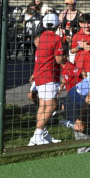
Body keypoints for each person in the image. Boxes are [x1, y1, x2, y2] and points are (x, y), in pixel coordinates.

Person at [28, 13, 65, 146]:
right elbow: (58, 59)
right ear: (57, 25)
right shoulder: (56, 39)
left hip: (40, 74)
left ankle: (42, 133)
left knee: (43, 105)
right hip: (49, 74)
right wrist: (64, 54)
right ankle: (37, 135)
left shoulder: (42, 36)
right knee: (52, 105)